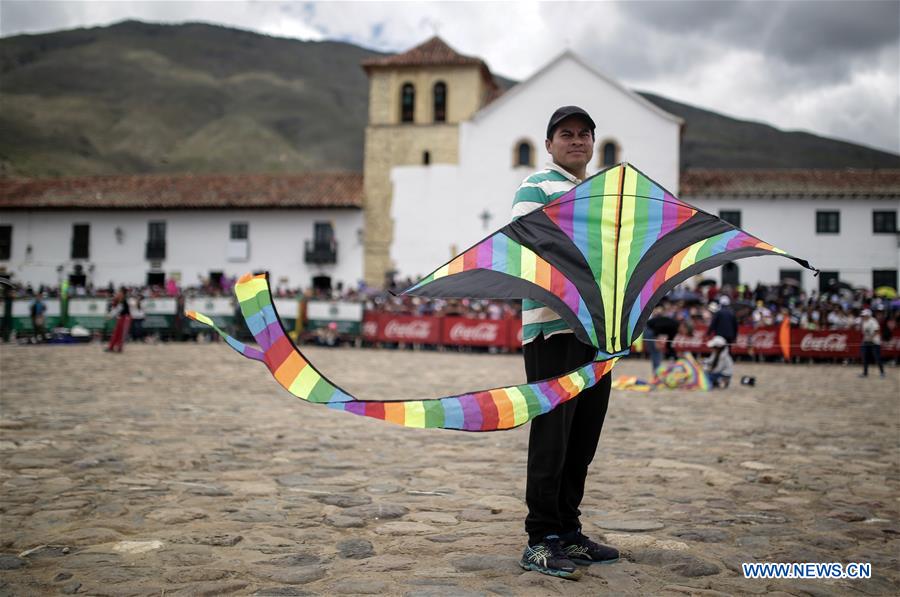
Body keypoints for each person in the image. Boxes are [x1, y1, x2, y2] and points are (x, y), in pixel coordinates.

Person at [513, 106, 618, 580]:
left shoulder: (600, 191)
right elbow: (529, 241)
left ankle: (569, 531)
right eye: (566, 134)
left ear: (593, 143)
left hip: (598, 332)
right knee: (552, 435)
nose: (576, 141)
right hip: (552, 328)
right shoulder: (537, 186)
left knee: (583, 437)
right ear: (550, 144)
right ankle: (540, 539)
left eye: (584, 134)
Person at [859, 309, 884, 378]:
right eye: (863, 315)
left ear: (868, 315)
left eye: (864, 315)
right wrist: (864, 340)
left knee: (877, 358)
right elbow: (865, 333)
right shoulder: (864, 322)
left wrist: (871, 337)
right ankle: (865, 373)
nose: (863, 316)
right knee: (864, 357)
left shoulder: (873, 321)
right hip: (866, 342)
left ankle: (882, 373)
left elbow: (877, 330)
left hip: (875, 342)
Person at [106, 288, 131, 352]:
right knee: (116, 333)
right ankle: (111, 347)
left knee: (121, 334)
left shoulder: (124, 300)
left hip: (125, 318)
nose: (118, 293)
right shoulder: (121, 300)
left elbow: (118, 309)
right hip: (121, 318)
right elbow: (117, 309)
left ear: (123, 293)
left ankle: (119, 348)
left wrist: (110, 316)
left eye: (120, 292)